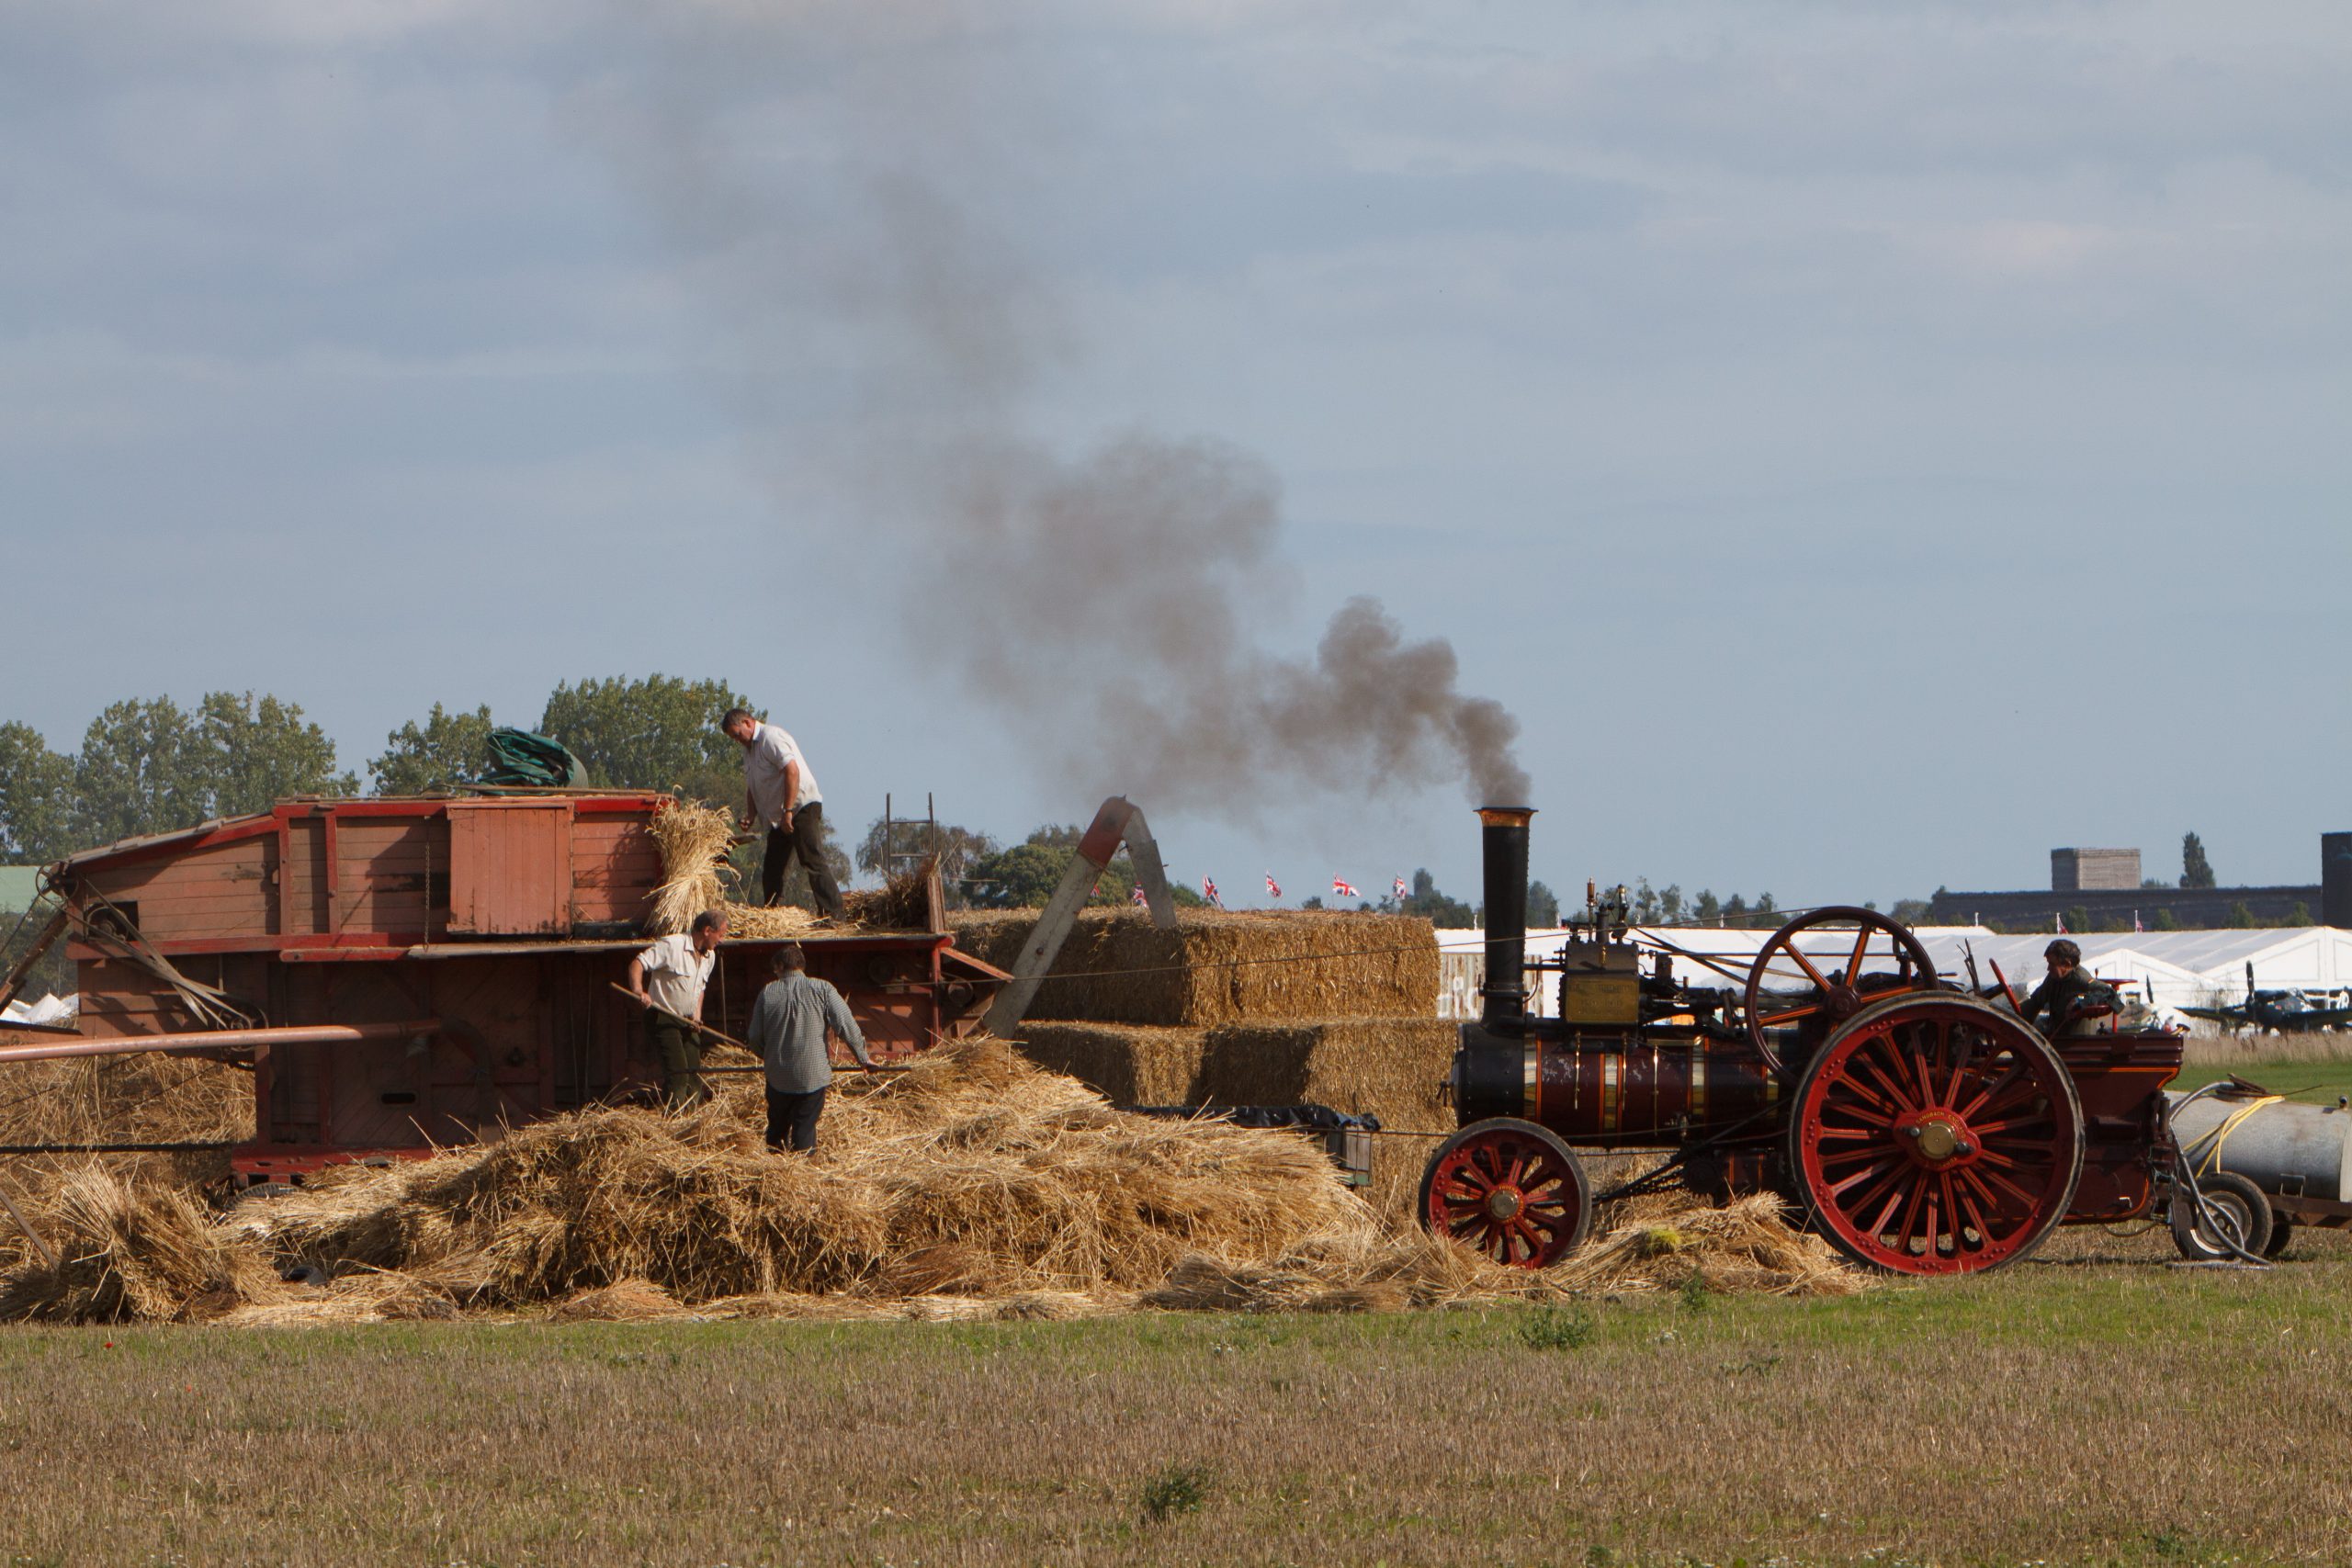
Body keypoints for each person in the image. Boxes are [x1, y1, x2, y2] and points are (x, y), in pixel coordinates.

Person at [745, 942, 873, 1153]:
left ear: (780, 966)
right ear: (801, 966)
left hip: (778, 1076)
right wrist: (863, 1057)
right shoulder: (823, 988)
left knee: (776, 1129)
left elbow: (754, 1036)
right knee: (804, 1128)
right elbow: (845, 1024)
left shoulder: (768, 992)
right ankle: (803, 1169)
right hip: (812, 1076)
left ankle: (775, 1170)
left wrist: (767, 1056)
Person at [720, 705, 842, 919]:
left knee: (811, 859)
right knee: (772, 869)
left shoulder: (771, 737)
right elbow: (753, 785)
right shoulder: (747, 750)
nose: (737, 740)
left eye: (737, 734)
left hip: (800, 807)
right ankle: (771, 918)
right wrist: (751, 815)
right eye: (733, 738)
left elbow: (792, 771)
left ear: (748, 723)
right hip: (779, 817)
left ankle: (834, 915)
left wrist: (788, 811)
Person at [626, 908, 728, 1110]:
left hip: (687, 1021)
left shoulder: (710, 956)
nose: (722, 940)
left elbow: (700, 989)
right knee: (679, 1077)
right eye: (721, 934)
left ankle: (690, 1122)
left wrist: (696, 1017)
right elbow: (637, 964)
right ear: (707, 930)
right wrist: (639, 991)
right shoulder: (672, 945)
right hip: (662, 1017)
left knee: (694, 1079)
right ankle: (674, 1125)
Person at [2016, 938, 2116, 1037]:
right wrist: (2014, 1017)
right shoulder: (2053, 978)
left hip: (2076, 1045)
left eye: (2052, 964)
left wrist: (2080, 1001)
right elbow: (2035, 1001)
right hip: (2056, 1040)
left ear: (2067, 964)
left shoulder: (2081, 979)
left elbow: (2110, 994)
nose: (2048, 968)